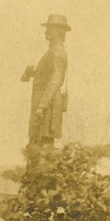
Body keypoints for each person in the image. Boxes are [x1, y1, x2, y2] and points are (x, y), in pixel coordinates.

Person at [21, 14, 71, 147]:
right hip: (45, 101)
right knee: (35, 143)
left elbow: (56, 79)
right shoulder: (51, 51)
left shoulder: (57, 52)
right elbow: (48, 75)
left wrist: (42, 106)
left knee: (43, 144)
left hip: (48, 104)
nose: (46, 32)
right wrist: (33, 73)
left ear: (60, 31)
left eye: (50, 29)